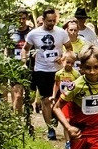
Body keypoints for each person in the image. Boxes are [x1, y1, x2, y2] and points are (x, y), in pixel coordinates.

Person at [24, 7, 70, 140]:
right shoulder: (34, 34)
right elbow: (25, 49)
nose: (51, 23)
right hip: (41, 70)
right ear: (43, 20)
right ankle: (50, 128)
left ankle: (55, 117)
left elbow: (69, 49)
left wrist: (62, 58)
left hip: (59, 71)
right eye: (49, 21)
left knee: (59, 99)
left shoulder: (61, 32)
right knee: (45, 100)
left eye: (54, 20)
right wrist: (24, 62)